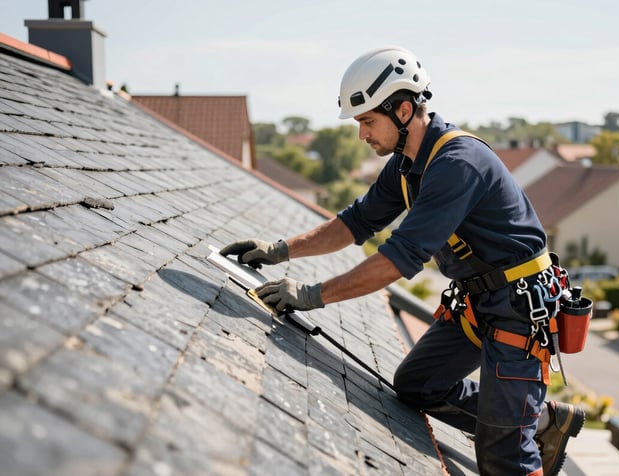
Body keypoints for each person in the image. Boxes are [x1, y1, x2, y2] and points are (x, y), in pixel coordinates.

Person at [221, 46, 585, 476]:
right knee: (417, 385)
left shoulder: (456, 164)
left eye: (368, 121)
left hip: (519, 312)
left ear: (405, 110)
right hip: (479, 303)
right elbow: (354, 223)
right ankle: (540, 421)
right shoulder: (408, 166)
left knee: (504, 458)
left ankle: (515, 432)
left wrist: (311, 295)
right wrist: (279, 249)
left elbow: (397, 259)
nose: (362, 134)